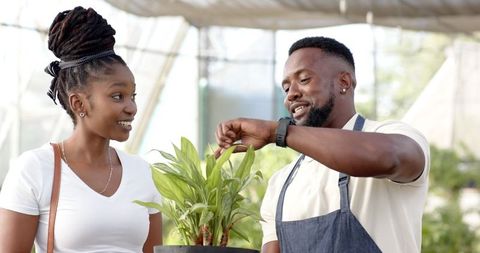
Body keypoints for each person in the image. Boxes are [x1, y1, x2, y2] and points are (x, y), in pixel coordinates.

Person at [215, 36, 429, 253]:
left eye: (304, 79)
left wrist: (278, 132)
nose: (291, 94)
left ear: (344, 83)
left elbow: (386, 157)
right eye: (286, 87)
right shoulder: (281, 184)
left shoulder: (393, 136)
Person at [0, 6, 162, 253]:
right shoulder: (35, 169)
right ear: (79, 103)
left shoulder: (142, 173)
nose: (132, 108)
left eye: (133, 96)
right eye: (118, 96)